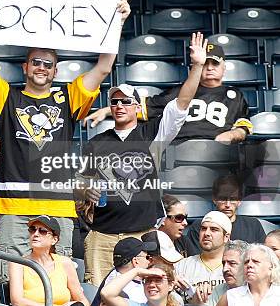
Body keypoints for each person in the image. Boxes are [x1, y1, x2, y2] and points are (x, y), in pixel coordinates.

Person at [0, 0, 131, 283]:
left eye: (48, 64)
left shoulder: (69, 98)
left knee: (57, 284)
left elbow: (104, 67)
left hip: (57, 205)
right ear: (25, 66)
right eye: (36, 62)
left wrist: (116, 22)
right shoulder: (6, 96)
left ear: (55, 71)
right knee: (12, 285)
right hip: (13, 207)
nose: (41, 68)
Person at [80, 32, 207, 285]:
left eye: (126, 101)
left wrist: (197, 67)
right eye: (114, 101)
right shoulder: (95, 142)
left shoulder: (153, 134)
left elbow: (181, 103)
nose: (119, 106)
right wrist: (86, 191)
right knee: (98, 295)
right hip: (102, 237)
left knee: (149, 295)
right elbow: (81, 185)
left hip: (144, 236)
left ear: (138, 106)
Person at [85, 44, 253, 144]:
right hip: (179, 149)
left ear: (224, 67)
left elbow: (243, 128)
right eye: (205, 63)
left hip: (217, 150)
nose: (209, 68)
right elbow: (144, 106)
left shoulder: (235, 96)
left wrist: (230, 135)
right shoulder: (181, 92)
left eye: (215, 64)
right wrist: (107, 110)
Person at [8, 216, 90, 306]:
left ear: (54, 240)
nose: (35, 234)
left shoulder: (64, 262)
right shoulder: (18, 264)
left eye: (42, 231)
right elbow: (17, 301)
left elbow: (81, 299)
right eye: (32, 229)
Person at [185, 175, 266, 255]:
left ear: (239, 201)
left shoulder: (253, 225)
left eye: (233, 199)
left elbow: (263, 256)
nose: (227, 204)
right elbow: (196, 259)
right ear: (214, 199)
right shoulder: (200, 227)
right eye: (223, 199)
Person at [175, 211, 232, 305]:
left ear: (226, 237)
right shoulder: (182, 266)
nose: (207, 233)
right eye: (203, 229)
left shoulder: (235, 267)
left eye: (214, 229)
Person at [91, 238, 157, 306]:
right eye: (147, 257)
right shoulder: (120, 293)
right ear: (135, 261)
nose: (149, 261)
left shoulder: (117, 273)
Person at [216, 243, 280, 306]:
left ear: (271, 267)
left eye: (255, 261)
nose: (249, 265)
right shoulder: (231, 296)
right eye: (246, 262)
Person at [101, 264, 179, 306]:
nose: (151, 284)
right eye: (148, 280)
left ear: (170, 285)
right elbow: (106, 294)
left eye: (158, 280)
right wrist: (137, 271)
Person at [207, 240, 249, 306]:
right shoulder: (218, 290)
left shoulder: (257, 290)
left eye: (232, 263)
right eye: (224, 263)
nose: (225, 269)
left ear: (246, 265)